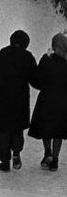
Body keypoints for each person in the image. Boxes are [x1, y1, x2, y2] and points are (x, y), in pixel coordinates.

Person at [29, 33, 67, 172]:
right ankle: (55, 158)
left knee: (46, 128)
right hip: (64, 100)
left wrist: (43, 87)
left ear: (55, 46)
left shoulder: (46, 60)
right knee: (58, 131)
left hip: (47, 98)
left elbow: (38, 78)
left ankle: (47, 152)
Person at [0, 29, 37, 172]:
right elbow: (35, 80)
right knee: (17, 128)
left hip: (2, 98)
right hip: (20, 99)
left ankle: (4, 160)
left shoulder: (2, 54)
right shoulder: (27, 57)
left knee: (3, 129)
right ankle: (16, 153)